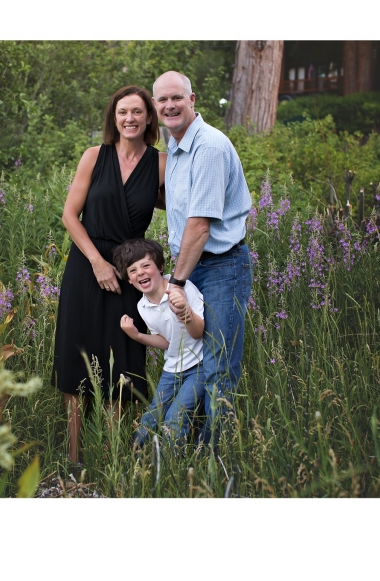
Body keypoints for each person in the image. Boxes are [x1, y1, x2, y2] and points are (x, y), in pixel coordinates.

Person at [52, 85, 166, 464]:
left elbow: (184, 206)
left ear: (149, 117)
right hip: (87, 267)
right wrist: (98, 263)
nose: (129, 119)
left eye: (137, 112)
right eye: (122, 112)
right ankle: (74, 457)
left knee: (124, 361)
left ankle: (111, 458)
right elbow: (71, 215)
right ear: (113, 118)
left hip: (131, 272)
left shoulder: (161, 164)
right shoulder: (93, 156)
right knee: (77, 357)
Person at [151, 71, 252, 448]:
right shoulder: (176, 146)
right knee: (193, 362)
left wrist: (174, 283)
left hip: (221, 267)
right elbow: (177, 203)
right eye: (162, 100)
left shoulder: (208, 146)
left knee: (218, 365)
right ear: (156, 106)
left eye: (177, 98)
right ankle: (190, 446)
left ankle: (218, 458)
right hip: (193, 266)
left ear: (193, 99)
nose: (170, 105)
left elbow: (199, 225)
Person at [112, 238, 204, 449]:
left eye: (146, 265)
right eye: (133, 270)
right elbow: (166, 341)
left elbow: (198, 333)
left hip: (199, 366)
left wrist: (185, 312)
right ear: (128, 279)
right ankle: (134, 464)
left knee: (174, 419)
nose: (141, 272)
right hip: (172, 369)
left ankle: (170, 469)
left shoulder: (182, 289)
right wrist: (136, 336)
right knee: (151, 417)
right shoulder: (143, 307)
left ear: (160, 267)